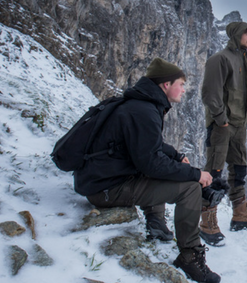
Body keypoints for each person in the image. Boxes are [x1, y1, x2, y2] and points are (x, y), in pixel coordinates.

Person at [74, 58, 220, 283]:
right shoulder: (144, 110)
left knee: (164, 167)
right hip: (106, 189)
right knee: (190, 188)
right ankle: (190, 256)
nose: (184, 89)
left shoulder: (139, 104)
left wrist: (177, 155)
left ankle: (156, 223)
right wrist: (196, 175)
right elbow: (151, 163)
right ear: (165, 85)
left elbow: (149, 145)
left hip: (99, 180)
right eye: (180, 83)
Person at [200, 21, 247, 246]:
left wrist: (238, 123)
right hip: (222, 126)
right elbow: (210, 93)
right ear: (237, 34)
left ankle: (240, 214)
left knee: (239, 168)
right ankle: (207, 221)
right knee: (214, 172)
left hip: (239, 125)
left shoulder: (243, 59)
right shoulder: (221, 59)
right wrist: (222, 121)